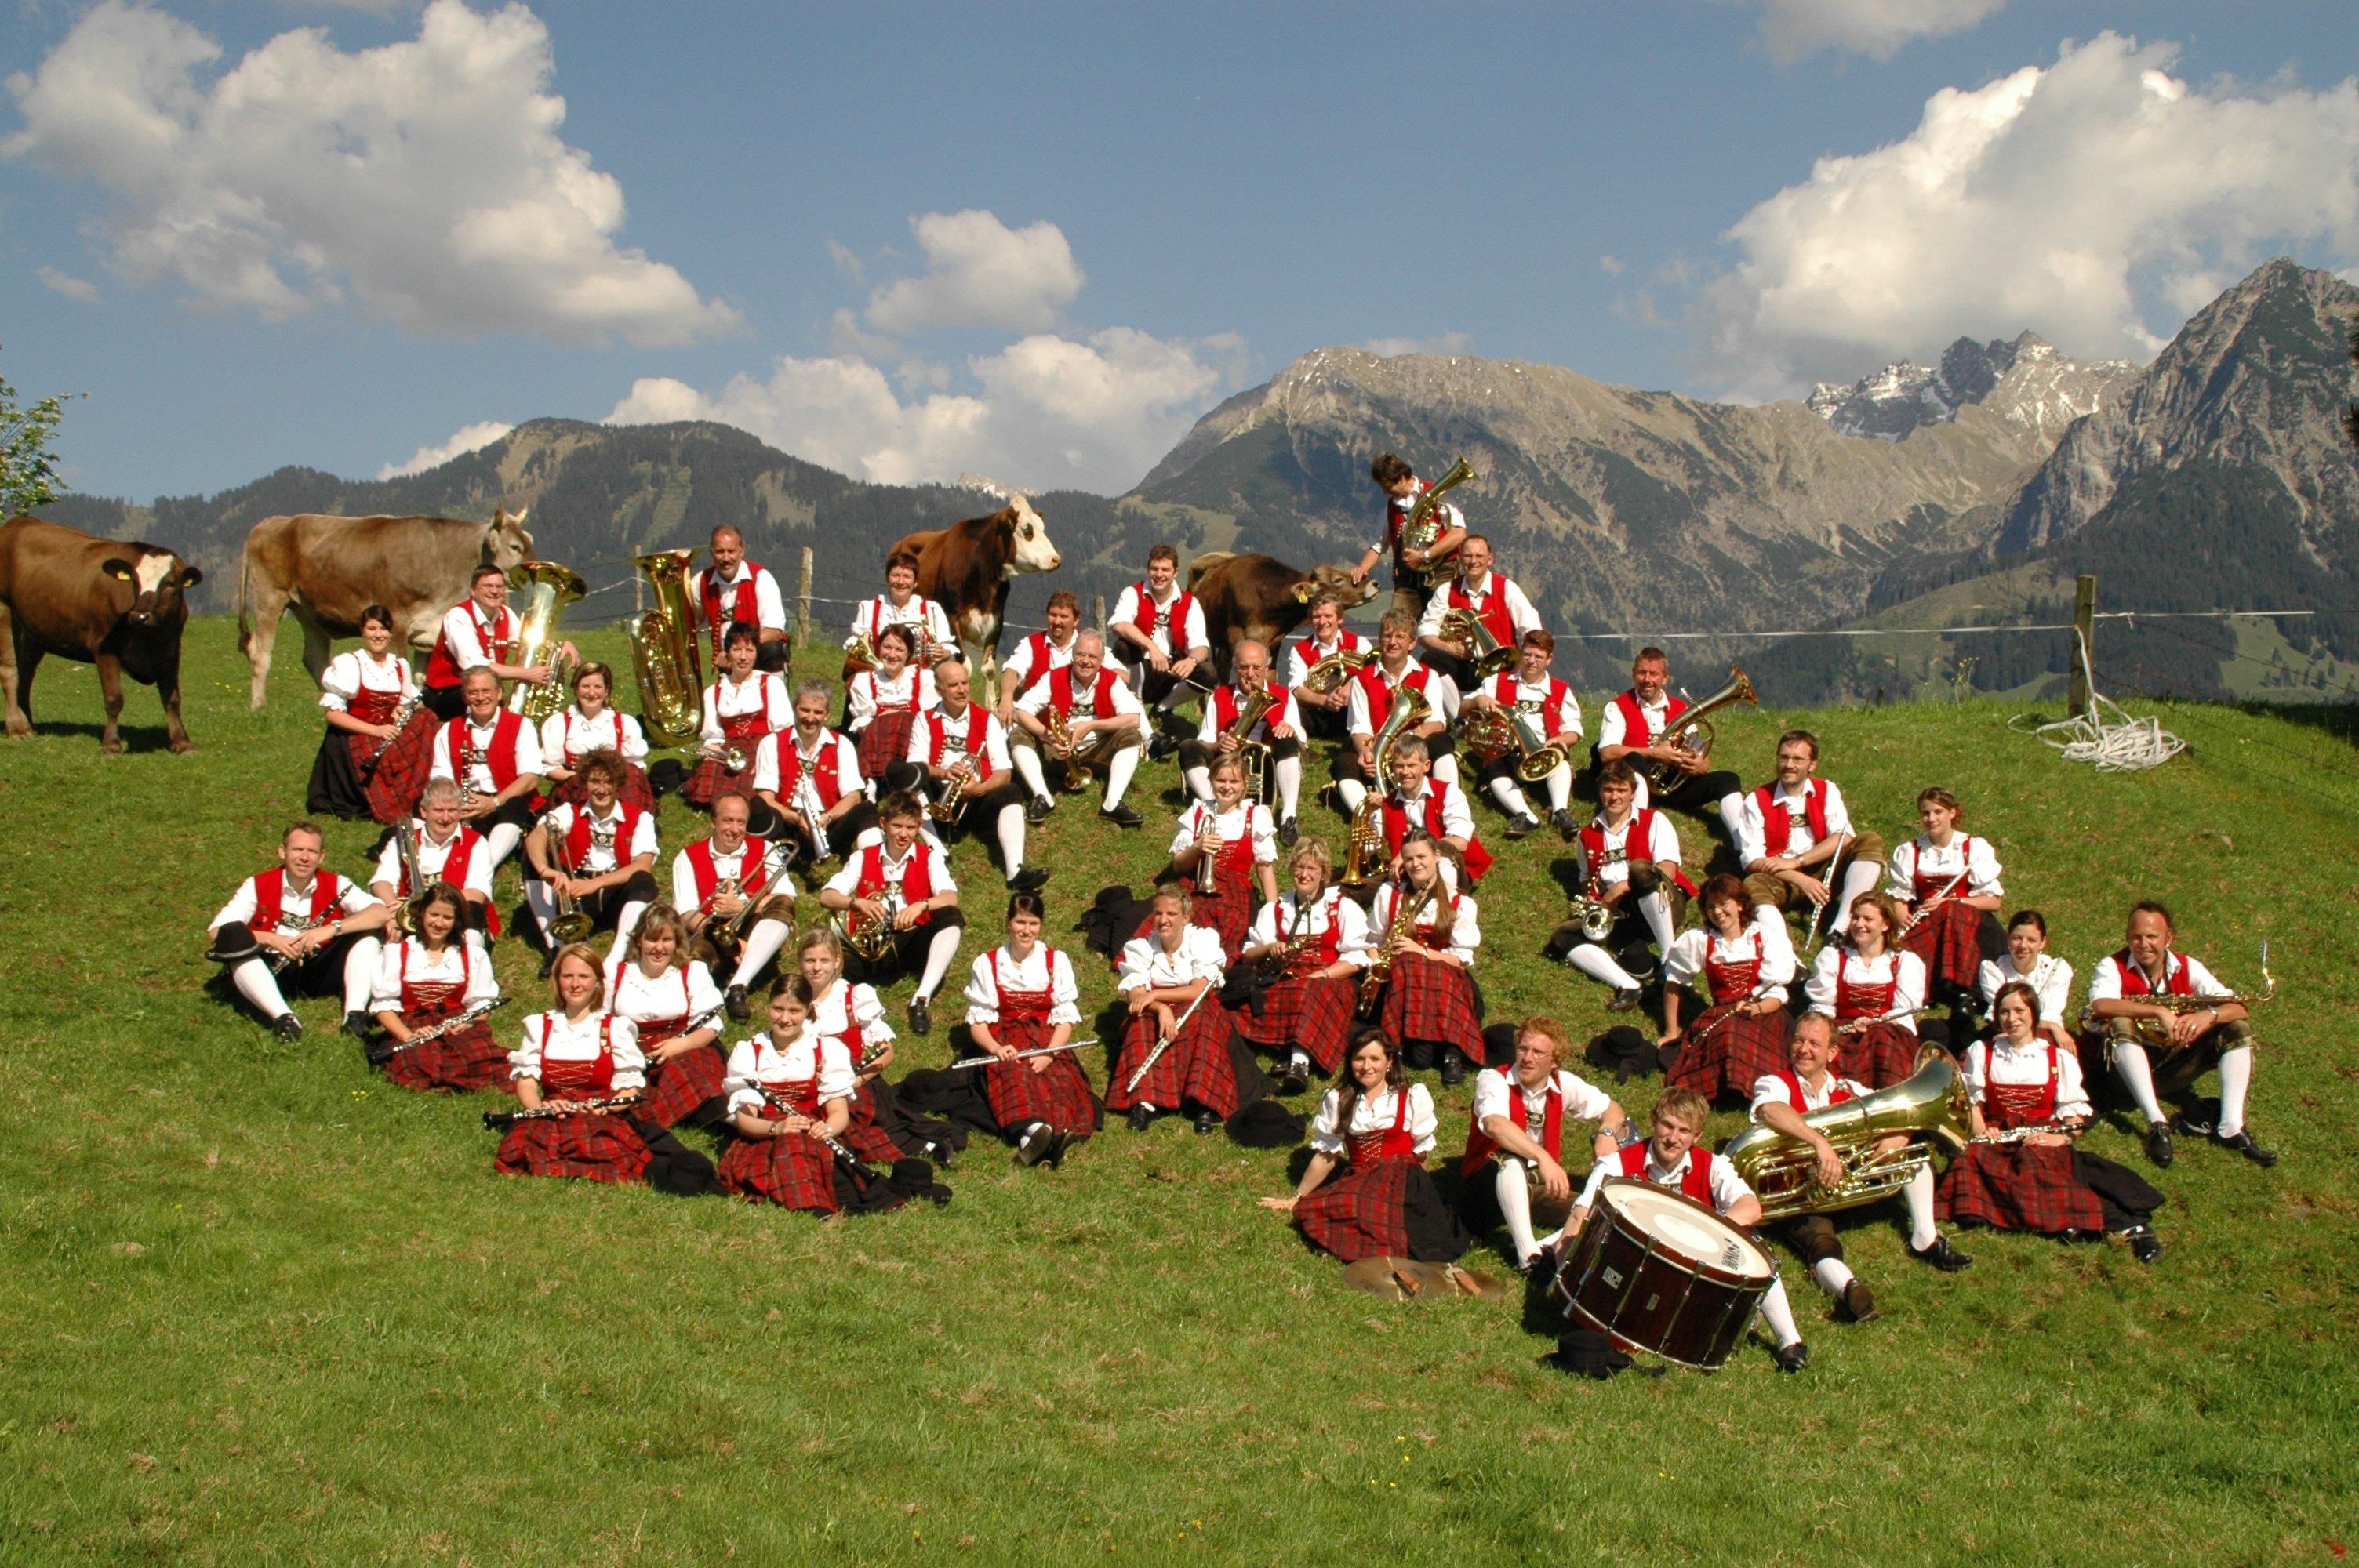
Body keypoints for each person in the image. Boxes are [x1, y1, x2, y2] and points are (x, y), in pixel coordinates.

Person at [1548, 1087, 1812, 1374]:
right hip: (1628, 1268)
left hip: (1692, 1274)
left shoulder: (1713, 1166)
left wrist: (1702, 1229)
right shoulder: (1617, 1163)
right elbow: (1579, 1216)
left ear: (1697, 1136)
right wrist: (1568, 1290)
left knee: (1755, 1247)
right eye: (1668, 1126)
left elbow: (1751, 1207)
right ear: (1653, 1121)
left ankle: (1790, 1342)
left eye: (1684, 1131)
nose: (1673, 1138)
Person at [1750, 1013, 1973, 1327]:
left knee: (1913, 1156)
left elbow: (1898, 1112)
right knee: (1820, 1242)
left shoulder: (1847, 1087)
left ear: (1832, 1053)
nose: (1804, 1049)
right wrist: (1818, 1143)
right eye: (1798, 1040)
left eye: (1814, 1043)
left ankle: (1926, 1237)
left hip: (1847, 1182)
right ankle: (1849, 1289)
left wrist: (1900, 1135)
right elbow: (1771, 1110)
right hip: (1802, 1192)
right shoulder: (1775, 1082)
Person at [1939, 982, 2166, 1261]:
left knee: (2034, 1164)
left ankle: (2108, 1223)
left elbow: (2072, 1114)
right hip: (1998, 1135)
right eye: (2004, 1012)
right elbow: (1974, 1105)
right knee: (1967, 1159)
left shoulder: (2057, 1057)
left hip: (2040, 1136)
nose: (2012, 1019)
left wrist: (2060, 1139)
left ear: (2034, 1013)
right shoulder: (1982, 1051)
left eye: (2019, 1011)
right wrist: (1985, 1132)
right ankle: (2058, 1218)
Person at [495, 944, 714, 1196]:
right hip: (552, 1115)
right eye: (567, 976)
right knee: (523, 1147)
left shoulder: (615, 1029)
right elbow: (526, 1082)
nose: (575, 984)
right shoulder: (539, 1026)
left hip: (599, 1115)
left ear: (598, 983)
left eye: (583, 976)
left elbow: (629, 1089)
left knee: (604, 1147)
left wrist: (606, 1107)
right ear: (557, 980)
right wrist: (540, 1108)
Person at [2085, 902, 2274, 1169]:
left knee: (2237, 1030)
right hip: (2120, 1076)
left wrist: (2208, 1016)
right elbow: (2100, 1005)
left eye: (2152, 937)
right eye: (2136, 937)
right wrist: (2157, 1011)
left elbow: (2238, 1008)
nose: (2143, 945)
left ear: (2169, 938)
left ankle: (2231, 1127)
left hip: (2171, 1068)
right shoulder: (2111, 965)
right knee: (2120, 1023)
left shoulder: (2188, 966)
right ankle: (2156, 1122)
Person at [1261, 1029, 1470, 1265]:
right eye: (1359, 1059)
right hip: (1362, 1180)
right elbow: (1326, 1155)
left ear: (1389, 1062)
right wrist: (1297, 1197)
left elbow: (1421, 1154)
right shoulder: (1339, 1099)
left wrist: (1426, 1196)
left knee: (1406, 1220)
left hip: (1404, 1178)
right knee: (1338, 1206)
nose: (1366, 1067)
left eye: (1374, 1059)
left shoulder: (1411, 1097)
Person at [1459, 1018, 1627, 1275]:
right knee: (1510, 1160)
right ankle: (1528, 1257)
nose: (1527, 1058)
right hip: (1485, 1185)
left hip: (1535, 1183)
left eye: (1538, 1052)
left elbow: (1613, 1110)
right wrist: (1544, 1158)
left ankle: (1545, 1248)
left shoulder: (1563, 1083)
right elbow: (1495, 1125)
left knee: (1593, 1209)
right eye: (1523, 1049)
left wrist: (1606, 1132)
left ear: (1554, 1061)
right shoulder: (1494, 1079)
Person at [205, 822, 391, 1042]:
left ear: (321, 857)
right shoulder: (257, 884)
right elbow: (218, 932)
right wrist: (272, 940)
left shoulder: (337, 883)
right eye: (297, 850)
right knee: (236, 941)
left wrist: (331, 929)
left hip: (319, 969)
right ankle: (284, 1018)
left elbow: (381, 913)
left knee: (368, 937)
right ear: (282, 852)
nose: (304, 857)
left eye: (312, 851)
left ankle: (354, 1016)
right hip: (270, 970)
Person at [961, 891, 1097, 1167]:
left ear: (1041, 924)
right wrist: (996, 1048)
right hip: (1004, 1038)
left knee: (1055, 1081)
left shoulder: (1056, 961)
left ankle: (1040, 1138)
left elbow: (1065, 1019)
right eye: (1020, 922)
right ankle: (1037, 1134)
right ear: (1008, 922)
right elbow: (978, 1022)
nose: (1026, 930)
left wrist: (1049, 1054)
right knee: (1014, 1074)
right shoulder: (987, 963)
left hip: (1045, 1039)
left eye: (1033, 923)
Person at [886, 659, 1048, 891]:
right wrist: (944, 772)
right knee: (909, 779)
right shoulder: (924, 719)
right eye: (954, 685)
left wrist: (978, 789)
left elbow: (1004, 771)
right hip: (938, 795)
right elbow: (916, 766)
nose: (962, 690)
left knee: (1011, 790)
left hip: (975, 800)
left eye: (965, 683)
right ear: (939, 690)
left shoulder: (987, 719)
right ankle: (937, 849)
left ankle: (1016, 871)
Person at [816, 789, 965, 1034]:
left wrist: (921, 905)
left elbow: (951, 897)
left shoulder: (930, 857)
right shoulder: (863, 857)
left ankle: (920, 1000)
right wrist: (856, 903)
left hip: (911, 941)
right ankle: (825, 1014)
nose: (904, 834)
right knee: (827, 959)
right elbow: (826, 896)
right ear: (884, 824)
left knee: (951, 916)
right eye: (897, 826)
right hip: (871, 946)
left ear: (919, 827)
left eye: (911, 827)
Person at [798, 927, 948, 1169]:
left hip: (855, 1083)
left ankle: (920, 1146)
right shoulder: (794, 999)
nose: (817, 967)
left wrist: (856, 1080)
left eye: (824, 960)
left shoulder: (853, 997)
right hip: (808, 1084)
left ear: (837, 961)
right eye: (810, 960)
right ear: (800, 961)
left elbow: (887, 1052)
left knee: (851, 1124)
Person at [1550, 759, 1694, 1011]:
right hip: (1621, 914)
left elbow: (1667, 870)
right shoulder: (1587, 835)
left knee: (1640, 870)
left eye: (1621, 790)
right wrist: (1592, 899)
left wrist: (1621, 886)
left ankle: (1668, 960)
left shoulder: (1655, 820)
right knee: (1563, 934)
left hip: (1664, 904)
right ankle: (1628, 986)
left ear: (1633, 794)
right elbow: (1585, 877)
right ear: (1600, 792)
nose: (1614, 796)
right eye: (1608, 790)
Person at [1235, 839, 1369, 1094]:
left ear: (1324, 873)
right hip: (1288, 978)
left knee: (1309, 992)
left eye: (1312, 869)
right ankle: (1287, 1051)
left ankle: (1299, 1064)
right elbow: (1249, 955)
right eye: (1299, 867)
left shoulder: (1341, 906)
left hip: (1331, 980)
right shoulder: (1276, 908)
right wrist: (1270, 948)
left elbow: (1357, 959)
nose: (1304, 874)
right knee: (1242, 1011)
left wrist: (1321, 975)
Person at [718, 976, 860, 1214]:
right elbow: (745, 1120)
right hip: (765, 1133)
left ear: (808, 1010)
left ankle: (809, 1200)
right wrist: (778, 1128)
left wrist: (828, 1129)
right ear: (767, 1007)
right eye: (778, 1009)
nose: (785, 1019)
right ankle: (811, 1205)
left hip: (812, 1129)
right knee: (791, 1142)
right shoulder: (749, 1051)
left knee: (803, 1146)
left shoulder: (827, 1049)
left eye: (794, 1011)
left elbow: (838, 1112)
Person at [1106, 885, 1238, 1134]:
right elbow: (1136, 997)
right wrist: (1160, 1008)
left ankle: (1204, 1102)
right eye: (1158, 913)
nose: (1163, 920)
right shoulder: (1141, 947)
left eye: (1171, 914)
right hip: (1155, 1010)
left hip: (1195, 1006)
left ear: (1186, 917)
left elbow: (1198, 990)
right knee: (1140, 1022)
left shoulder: (1201, 940)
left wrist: (1155, 994)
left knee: (1202, 1019)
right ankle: (1145, 1102)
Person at [1732, 729, 1884, 939]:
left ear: (1812, 765)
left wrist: (1797, 861)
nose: (1789, 765)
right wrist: (1800, 878)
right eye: (1783, 757)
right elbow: (1751, 861)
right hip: (1782, 878)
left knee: (1869, 840)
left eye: (1797, 759)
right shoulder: (1757, 799)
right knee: (1752, 885)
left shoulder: (1827, 789)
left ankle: (1841, 927)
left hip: (1823, 871)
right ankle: (1783, 951)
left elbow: (1843, 837)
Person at [1659, 873, 1797, 1098]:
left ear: (1740, 904)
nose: (1718, 912)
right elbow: (1674, 983)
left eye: (1724, 904)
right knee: (1730, 1034)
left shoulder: (1764, 937)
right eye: (1711, 907)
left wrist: (1756, 1008)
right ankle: (1727, 1089)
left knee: (1753, 1037)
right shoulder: (1701, 940)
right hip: (1724, 1012)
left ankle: (1758, 1091)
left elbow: (1776, 992)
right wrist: (1671, 1031)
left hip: (1765, 1011)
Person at [522, 750, 660, 967]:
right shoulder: (569, 811)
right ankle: (556, 946)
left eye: (608, 782)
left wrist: (595, 884)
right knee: (531, 860)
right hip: (576, 892)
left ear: (618, 785)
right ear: (585, 783)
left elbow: (643, 866)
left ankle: (616, 958)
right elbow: (536, 837)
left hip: (616, 895)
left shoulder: (640, 818)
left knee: (643, 880)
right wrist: (545, 871)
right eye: (595, 781)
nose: (601, 789)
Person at [307, 602, 439, 825]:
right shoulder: (350, 663)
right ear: (363, 632)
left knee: (428, 718)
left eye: (383, 629)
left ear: (390, 632)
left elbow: (408, 704)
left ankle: (417, 792)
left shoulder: (400, 666)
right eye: (372, 629)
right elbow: (332, 715)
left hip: (389, 733)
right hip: (358, 736)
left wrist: (400, 710)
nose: (378, 635)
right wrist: (376, 730)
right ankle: (388, 798)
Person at [1367, 833, 1484, 1083]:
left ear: (1437, 856)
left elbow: (1461, 960)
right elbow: (1372, 941)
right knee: (1421, 1058)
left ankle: (1452, 1054)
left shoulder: (1460, 902)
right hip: (1402, 982)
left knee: (1426, 966)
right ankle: (1399, 1046)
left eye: (1422, 856)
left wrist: (1420, 952)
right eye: (1409, 859)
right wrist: (1377, 964)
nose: (1415, 864)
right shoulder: (1389, 894)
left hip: (1444, 979)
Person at [673, 792, 798, 1019]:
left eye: (741, 822)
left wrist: (742, 907)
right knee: (695, 958)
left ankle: (737, 986)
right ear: (713, 822)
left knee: (782, 906)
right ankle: (696, 1008)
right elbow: (686, 913)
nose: (735, 829)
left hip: (754, 927)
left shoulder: (766, 849)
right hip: (710, 932)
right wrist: (728, 942)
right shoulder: (687, 857)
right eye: (728, 820)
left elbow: (786, 896)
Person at [367, 884, 504, 1092]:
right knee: (415, 1061)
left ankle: (451, 1080)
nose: (439, 923)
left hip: (456, 1023)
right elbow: (383, 1007)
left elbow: (482, 1004)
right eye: (434, 915)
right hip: (412, 1022)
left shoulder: (473, 955)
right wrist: (407, 1035)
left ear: (457, 921)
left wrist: (467, 1023)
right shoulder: (396, 953)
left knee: (475, 1056)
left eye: (447, 918)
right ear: (422, 914)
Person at [603, 904, 728, 1131]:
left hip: (685, 1044)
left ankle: (726, 1121)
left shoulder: (693, 971)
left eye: (667, 940)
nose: (659, 948)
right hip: (632, 1049)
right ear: (639, 940)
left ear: (677, 942)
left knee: (685, 1072)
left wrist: (680, 1045)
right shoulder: (616, 973)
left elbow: (710, 1027)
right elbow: (600, 1022)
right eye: (652, 939)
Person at [1009, 630, 1148, 829]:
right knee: (1019, 734)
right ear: (1073, 655)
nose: (1086, 661)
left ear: (1101, 660)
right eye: (1081, 655)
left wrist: (1091, 726)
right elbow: (1020, 712)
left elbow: (1134, 718)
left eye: (1092, 657)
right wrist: (1049, 736)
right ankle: (1043, 797)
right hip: (1057, 752)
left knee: (1130, 735)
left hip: (1096, 751)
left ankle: (1112, 803)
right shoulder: (1053, 677)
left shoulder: (1111, 680)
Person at [1886, 787, 2003, 1012]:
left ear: (1952, 813)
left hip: (1968, 918)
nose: (1931, 818)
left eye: (1938, 812)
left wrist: (1953, 904)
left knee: (1952, 914)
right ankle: (1935, 988)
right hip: (1927, 920)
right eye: (1925, 813)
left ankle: (1965, 989)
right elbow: (1899, 897)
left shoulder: (1974, 848)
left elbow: (1994, 902)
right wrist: (1903, 917)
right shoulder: (1910, 851)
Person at [1334, 611, 1460, 817]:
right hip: (1377, 753)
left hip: (1416, 750)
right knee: (1344, 763)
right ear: (1380, 640)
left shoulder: (1429, 676)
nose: (1392, 642)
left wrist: (1403, 742)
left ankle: (1448, 808)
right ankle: (1373, 819)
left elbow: (1437, 722)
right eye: (1387, 635)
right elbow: (1359, 727)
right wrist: (1366, 753)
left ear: (1412, 643)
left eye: (1400, 636)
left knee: (1442, 741)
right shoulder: (1361, 679)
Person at [1180, 638, 1306, 841]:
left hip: (1268, 765)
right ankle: (1215, 807)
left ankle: (1288, 817)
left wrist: (1289, 729)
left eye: (1257, 667)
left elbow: (1302, 744)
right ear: (1235, 668)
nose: (1251, 674)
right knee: (1188, 747)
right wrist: (1218, 745)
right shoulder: (1219, 696)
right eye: (1244, 667)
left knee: (1289, 738)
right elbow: (1204, 741)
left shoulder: (1284, 696)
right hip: (1228, 761)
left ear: (1267, 668)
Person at [1460, 629, 1583, 839]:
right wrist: (1478, 701)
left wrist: (1562, 740)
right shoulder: (1497, 681)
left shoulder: (1560, 689)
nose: (1531, 661)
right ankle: (1525, 816)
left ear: (1549, 660)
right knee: (1493, 766)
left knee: (1560, 761)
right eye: (1527, 655)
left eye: (1538, 657)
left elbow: (1574, 730)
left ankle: (1560, 812)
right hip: (1507, 751)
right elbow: (1462, 710)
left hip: (1543, 751)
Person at [1594, 647, 1743, 818]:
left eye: (1654, 674)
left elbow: (1701, 753)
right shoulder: (1617, 707)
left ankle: (1742, 834)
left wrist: (1700, 765)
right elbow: (1607, 753)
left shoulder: (1681, 709)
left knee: (1729, 780)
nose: (1647, 679)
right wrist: (1654, 753)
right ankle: (1639, 822)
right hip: (1631, 784)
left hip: (1672, 786)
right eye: (1642, 673)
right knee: (1635, 759)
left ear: (1665, 678)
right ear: (1633, 674)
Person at [1803, 891, 1927, 1087]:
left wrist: (1874, 1023)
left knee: (1881, 1038)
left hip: (1888, 1031)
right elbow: (1823, 1006)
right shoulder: (1833, 958)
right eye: (1855, 917)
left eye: (1868, 919)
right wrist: (1837, 1028)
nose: (1859, 924)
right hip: (1844, 1029)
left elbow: (1904, 1012)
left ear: (1886, 924)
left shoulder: (1904, 962)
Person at [427, 666, 543, 873]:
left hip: (505, 801)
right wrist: (458, 802)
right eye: (473, 692)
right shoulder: (449, 729)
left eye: (486, 691)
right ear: (465, 697)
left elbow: (530, 778)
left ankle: (481, 870)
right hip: (465, 801)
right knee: (424, 805)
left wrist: (494, 802)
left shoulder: (521, 725)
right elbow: (440, 778)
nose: (480, 698)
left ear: (499, 693)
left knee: (516, 805)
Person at [1166, 755, 1279, 964]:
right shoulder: (1198, 811)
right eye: (1221, 780)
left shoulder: (1256, 815)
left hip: (1235, 892)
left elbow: (1264, 869)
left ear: (1244, 784)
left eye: (1234, 781)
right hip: (1194, 885)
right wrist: (1197, 847)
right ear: (1211, 780)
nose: (1227, 787)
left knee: (1228, 941)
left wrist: (1273, 910)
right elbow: (1179, 866)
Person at [751, 679, 878, 859]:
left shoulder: (842, 744)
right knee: (757, 807)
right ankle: (773, 857)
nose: (810, 718)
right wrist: (796, 819)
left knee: (866, 809)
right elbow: (766, 798)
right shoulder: (771, 743)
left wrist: (828, 817)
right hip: (789, 822)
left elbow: (853, 796)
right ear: (795, 708)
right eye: (805, 710)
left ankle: (873, 861)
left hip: (828, 823)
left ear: (827, 714)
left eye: (818, 712)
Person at [421, 564, 562, 721]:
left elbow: (529, 642)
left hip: (486, 691)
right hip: (447, 693)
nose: (494, 591)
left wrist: (559, 646)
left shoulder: (505, 614)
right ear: (473, 590)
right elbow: (475, 667)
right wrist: (526, 674)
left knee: (508, 713)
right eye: (487, 586)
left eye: (499, 587)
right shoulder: (458, 616)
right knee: (485, 702)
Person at [1108, 543, 1211, 752]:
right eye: (1154, 569)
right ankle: (1138, 704)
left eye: (1165, 569)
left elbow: (1201, 646)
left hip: (1172, 671)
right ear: (1148, 569)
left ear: (1176, 572)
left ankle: (1162, 708)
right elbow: (1119, 624)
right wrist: (1151, 646)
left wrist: (1191, 661)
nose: (1159, 575)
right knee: (1123, 647)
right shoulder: (1133, 593)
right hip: (1139, 668)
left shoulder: (1189, 602)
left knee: (1208, 673)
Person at [369, 778, 498, 936]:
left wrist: (428, 907)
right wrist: (393, 909)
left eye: (452, 810)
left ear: (460, 811)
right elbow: (381, 882)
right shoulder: (401, 841)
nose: (446, 818)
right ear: (424, 811)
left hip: (455, 923)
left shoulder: (477, 842)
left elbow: (476, 894)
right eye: (439, 810)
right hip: (409, 919)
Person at [683, 622, 792, 811]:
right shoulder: (713, 692)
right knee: (712, 772)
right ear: (727, 653)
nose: (743, 657)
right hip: (730, 752)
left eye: (749, 650)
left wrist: (768, 759)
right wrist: (715, 751)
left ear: (757, 653)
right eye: (736, 650)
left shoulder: (771, 684)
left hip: (763, 748)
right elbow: (714, 735)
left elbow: (784, 731)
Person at [1414, 535, 1542, 694]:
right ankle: (1451, 709)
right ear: (1460, 558)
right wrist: (1450, 648)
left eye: (1479, 556)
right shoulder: (1447, 590)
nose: (1473, 561)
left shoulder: (1507, 588)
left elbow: (1533, 629)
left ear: (1490, 559)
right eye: (1468, 556)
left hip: (1502, 667)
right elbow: (1425, 631)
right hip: (1464, 666)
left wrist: (1522, 661)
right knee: (1431, 659)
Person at [1352, 451, 1465, 621]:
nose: (1385, 492)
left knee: (1444, 623)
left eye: (1387, 486)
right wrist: (1362, 568)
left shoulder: (1436, 493)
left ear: (1401, 478)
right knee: (1396, 624)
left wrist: (1426, 555)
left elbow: (1459, 533)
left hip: (1440, 572)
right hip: (1407, 578)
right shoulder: (1391, 508)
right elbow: (1377, 545)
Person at [1374, 735, 1492, 882]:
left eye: (1411, 765)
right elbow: (1370, 849)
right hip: (1409, 874)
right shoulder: (1387, 805)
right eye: (1399, 766)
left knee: (1443, 869)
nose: (1404, 772)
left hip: (1450, 866)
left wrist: (1408, 854)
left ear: (1427, 766)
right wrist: (1369, 814)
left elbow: (1460, 841)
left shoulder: (1449, 792)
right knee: (1355, 889)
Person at [539, 662, 653, 812]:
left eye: (598, 687)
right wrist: (587, 780)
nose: (592, 693)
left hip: (616, 787)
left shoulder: (624, 723)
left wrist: (606, 782)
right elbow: (550, 768)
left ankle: (630, 822)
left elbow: (635, 768)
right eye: (585, 686)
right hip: (576, 785)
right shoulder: (559, 723)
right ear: (575, 689)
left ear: (606, 690)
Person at [997, 589, 1118, 723]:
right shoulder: (1031, 644)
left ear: (1076, 620)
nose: (1057, 621)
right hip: (1038, 720)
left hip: (1081, 719)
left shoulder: (1090, 645)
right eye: (1053, 615)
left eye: (1064, 617)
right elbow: (1012, 670)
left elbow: (1120, 674)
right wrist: (1006, 697)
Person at [845, 623, 939, 787]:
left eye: (899, 649)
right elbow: (864, 730)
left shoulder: (925, 678)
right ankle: (873, 783)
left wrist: (893, 715)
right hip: (877, 750)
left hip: (912, 747)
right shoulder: (863, 681)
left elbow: (929, 723)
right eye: (887, 647)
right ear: (879, 648)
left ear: (908, 653)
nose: (892, 655)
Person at [1976, 909, 2076, 1055]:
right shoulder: (1993, 970)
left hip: (2046, 1036)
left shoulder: (2056, 970)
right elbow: (2001, 1013)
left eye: (2032, 940)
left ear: (2043, 942)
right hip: (2007, 1032)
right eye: (2017, 938)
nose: (2023, 945)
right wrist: (2054, 1027)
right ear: (2008, 939)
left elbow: (2051, 1013)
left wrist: (2053, 1027)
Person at [845, 548, 954, 678]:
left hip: (920, 679)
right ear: (887, 579)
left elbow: (946, 647)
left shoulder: (932, 609)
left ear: (915, 582)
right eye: (895, 575)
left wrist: (943, 653)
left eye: (907, 576)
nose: (901, 582)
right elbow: (857, 645)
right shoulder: (869, 608)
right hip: (879, 677)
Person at [696, 524, 791, 673]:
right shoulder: (701, 581)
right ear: (711, 552)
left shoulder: (761, 578)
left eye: (731, 551)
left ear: (742, 551)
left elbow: (774, 630)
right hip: (727, 667)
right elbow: (689, 622)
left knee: (774, 648)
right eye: (720, 552)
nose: (726, 558)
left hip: (763, 662)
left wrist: (736, 650)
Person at [1283, 592, 1371, 744]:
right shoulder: (1299, 650)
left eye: (1328, 616)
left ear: (1340, 619)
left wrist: (1351, 686)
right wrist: (1324, 701)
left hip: (1350, 710)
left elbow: (1371, 673)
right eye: (1317, 617)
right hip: (1317, 713)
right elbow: (1297, 689)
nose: (1322, 622)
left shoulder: (1360, 643)